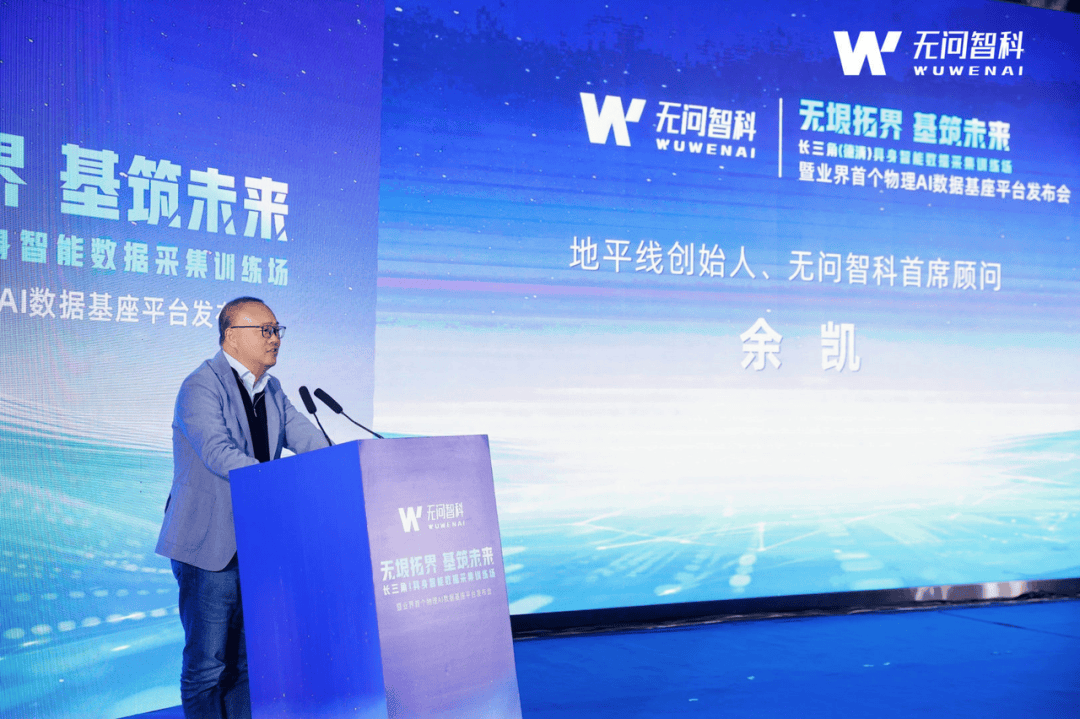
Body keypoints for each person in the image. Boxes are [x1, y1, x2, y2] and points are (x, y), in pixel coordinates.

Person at [156, 296, 328, 718]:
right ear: (232, 336)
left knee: (248, 665)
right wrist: (282, 485)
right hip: (209, 548)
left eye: (277, 330)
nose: (275, 339)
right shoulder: (201, 385)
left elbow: (308, 440)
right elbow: (219, 454)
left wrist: (342, 463)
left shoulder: (272, 390)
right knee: (207, 668)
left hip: (256, 547)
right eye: (265, 330)